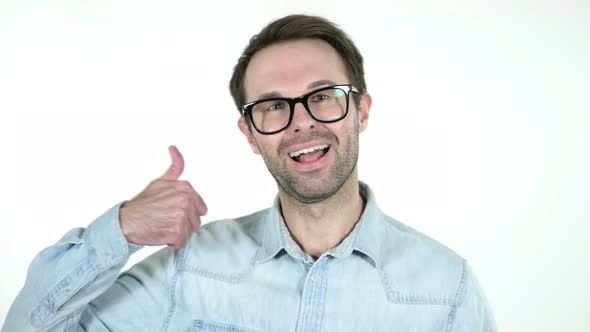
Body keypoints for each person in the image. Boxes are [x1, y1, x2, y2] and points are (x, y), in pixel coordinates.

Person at [2, 14, 497, 332]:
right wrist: (123, 229)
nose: (301, 121)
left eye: (323, 96)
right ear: (250, 134)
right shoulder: (188, 269)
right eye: (273, 106)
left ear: (361, 111)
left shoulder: (445, 286)